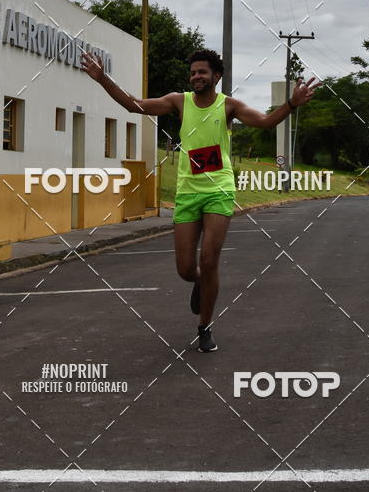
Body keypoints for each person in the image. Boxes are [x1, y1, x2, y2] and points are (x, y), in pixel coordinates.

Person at [81, 47, 320, 353]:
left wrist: (291, 104)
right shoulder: (178, 101)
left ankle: (204, 326)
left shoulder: (229, 106)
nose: (196, 77)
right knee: (185, 268)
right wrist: (103, 79)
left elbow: (265, 121)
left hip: (219, 190)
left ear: (216, 76)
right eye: (193, 72)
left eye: (202, 72)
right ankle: (199, 282)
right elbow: (135, 105)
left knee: (209, 260)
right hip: (188, 191)